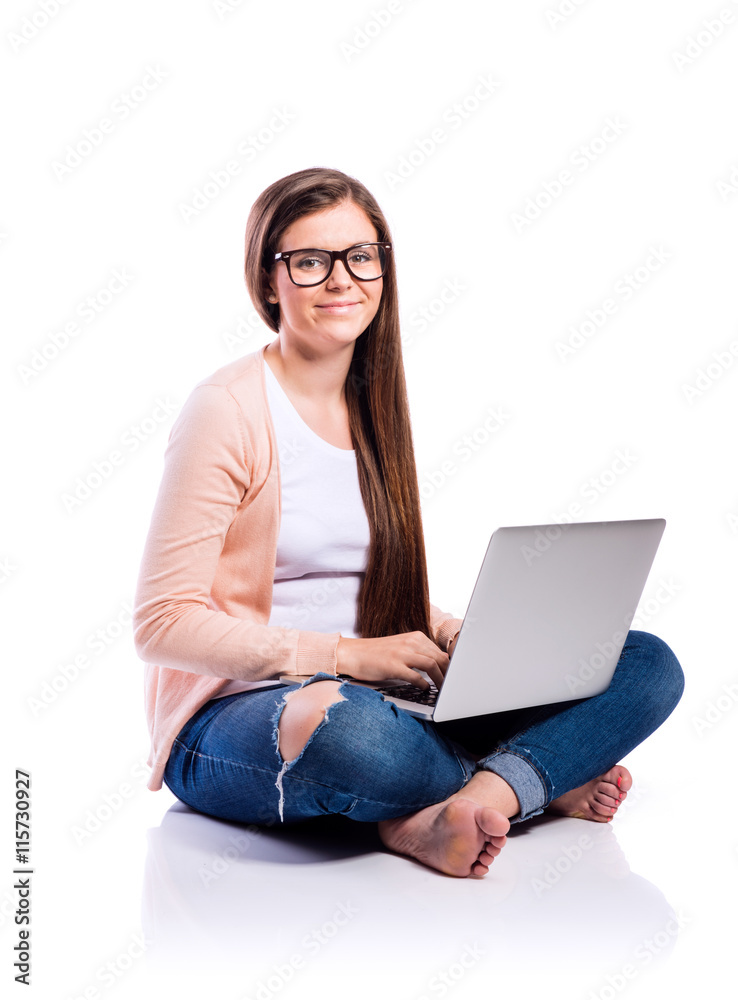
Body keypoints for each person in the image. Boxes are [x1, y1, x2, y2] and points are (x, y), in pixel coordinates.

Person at [133, 167, 684, 879]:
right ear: (270, 281)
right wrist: (344, 657)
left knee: (645, 662)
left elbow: (356, 580)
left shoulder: (375, 406)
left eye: (361, 257)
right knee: (353, 737)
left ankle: (469, 800)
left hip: (380, 688)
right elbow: (162, 624)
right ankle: (535, 777)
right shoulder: (227, 410)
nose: (342, 280)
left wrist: (453, 632)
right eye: (310, 261)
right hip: (242, 720)